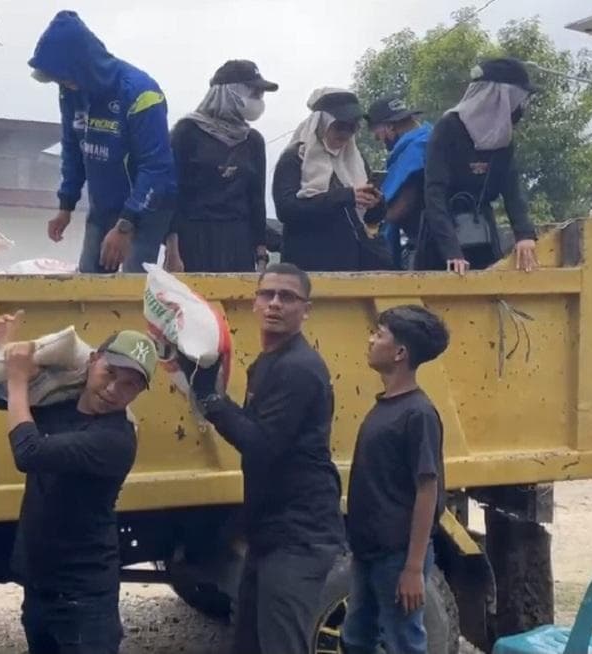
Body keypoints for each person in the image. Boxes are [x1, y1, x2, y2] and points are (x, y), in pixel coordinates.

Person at [0, 313, 157, 653]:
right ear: (91, 361)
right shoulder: (58, 403)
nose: (114, 389)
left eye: (130, 384)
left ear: (140, 392)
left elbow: (28, 452)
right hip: (40, 587)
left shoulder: (115, 439)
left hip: (84, 601)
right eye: (110, 373)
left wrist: (17, 381)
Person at [190, 263, 346, 653]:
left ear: (305, 310)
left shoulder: (299, 369)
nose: (275, 303)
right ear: (255, 303)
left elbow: (261, 445)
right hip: (272, 531)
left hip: (299, 536)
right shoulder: (268, 362)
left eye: (287, 297)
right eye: (268, 294)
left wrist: (211, 400)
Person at [29, 11, 178, 273]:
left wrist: (125, 225)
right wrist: (66, 206)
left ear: (84, 65)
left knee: (130, 293)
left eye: (65, 77)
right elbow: (73, 149)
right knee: (90, 289)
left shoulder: (141, 93)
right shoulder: (71, 93)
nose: (64, 84)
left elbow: (156, 168)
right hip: (104, 207)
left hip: (145, 208)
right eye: (59, 80)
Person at [341, 305, 450, 654]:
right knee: (356, 638)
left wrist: (414, 568)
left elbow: (427, 489)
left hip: (397, 556)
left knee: (404, 642)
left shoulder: (418, 413)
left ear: (400, 353)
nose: (371, 339)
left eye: (379, 334)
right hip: (368, 552)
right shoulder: (385, 406)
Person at [421, 58, 539, 274]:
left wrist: (524, 235)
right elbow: (434, 193)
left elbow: (512, 190)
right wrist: (452, 252)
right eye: (517, 98)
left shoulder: (503, 138)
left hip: (482, 230)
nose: (520, 106)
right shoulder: (448, 128)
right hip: (442, 239)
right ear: (498, 98)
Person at [166, 60, 277, 273]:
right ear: (230, 92)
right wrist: (173, 251)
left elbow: (256, 200)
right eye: (254, 93)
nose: (259, 100)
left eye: (261, 95)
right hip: (195, 237)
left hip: (238, 240)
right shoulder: (187, 132)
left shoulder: (253, 140)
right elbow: (172, 196)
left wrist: (261, 254)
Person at [273, 89, 387, 272]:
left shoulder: (355, 160)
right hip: (308, 263)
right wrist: (344, 196)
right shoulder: (295, 158)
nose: (345, 133)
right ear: (322, 124)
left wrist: (375, 203)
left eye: (352, 127)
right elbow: (286, 210)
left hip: (354, 262)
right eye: (339, 126)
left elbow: (369, 218)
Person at [367, 96, 432, 271]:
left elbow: (400, 207)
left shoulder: (413, 152)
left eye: (377, 133)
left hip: (430, 246)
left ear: (389, 127)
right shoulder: (434, 139)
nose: (377, 139)